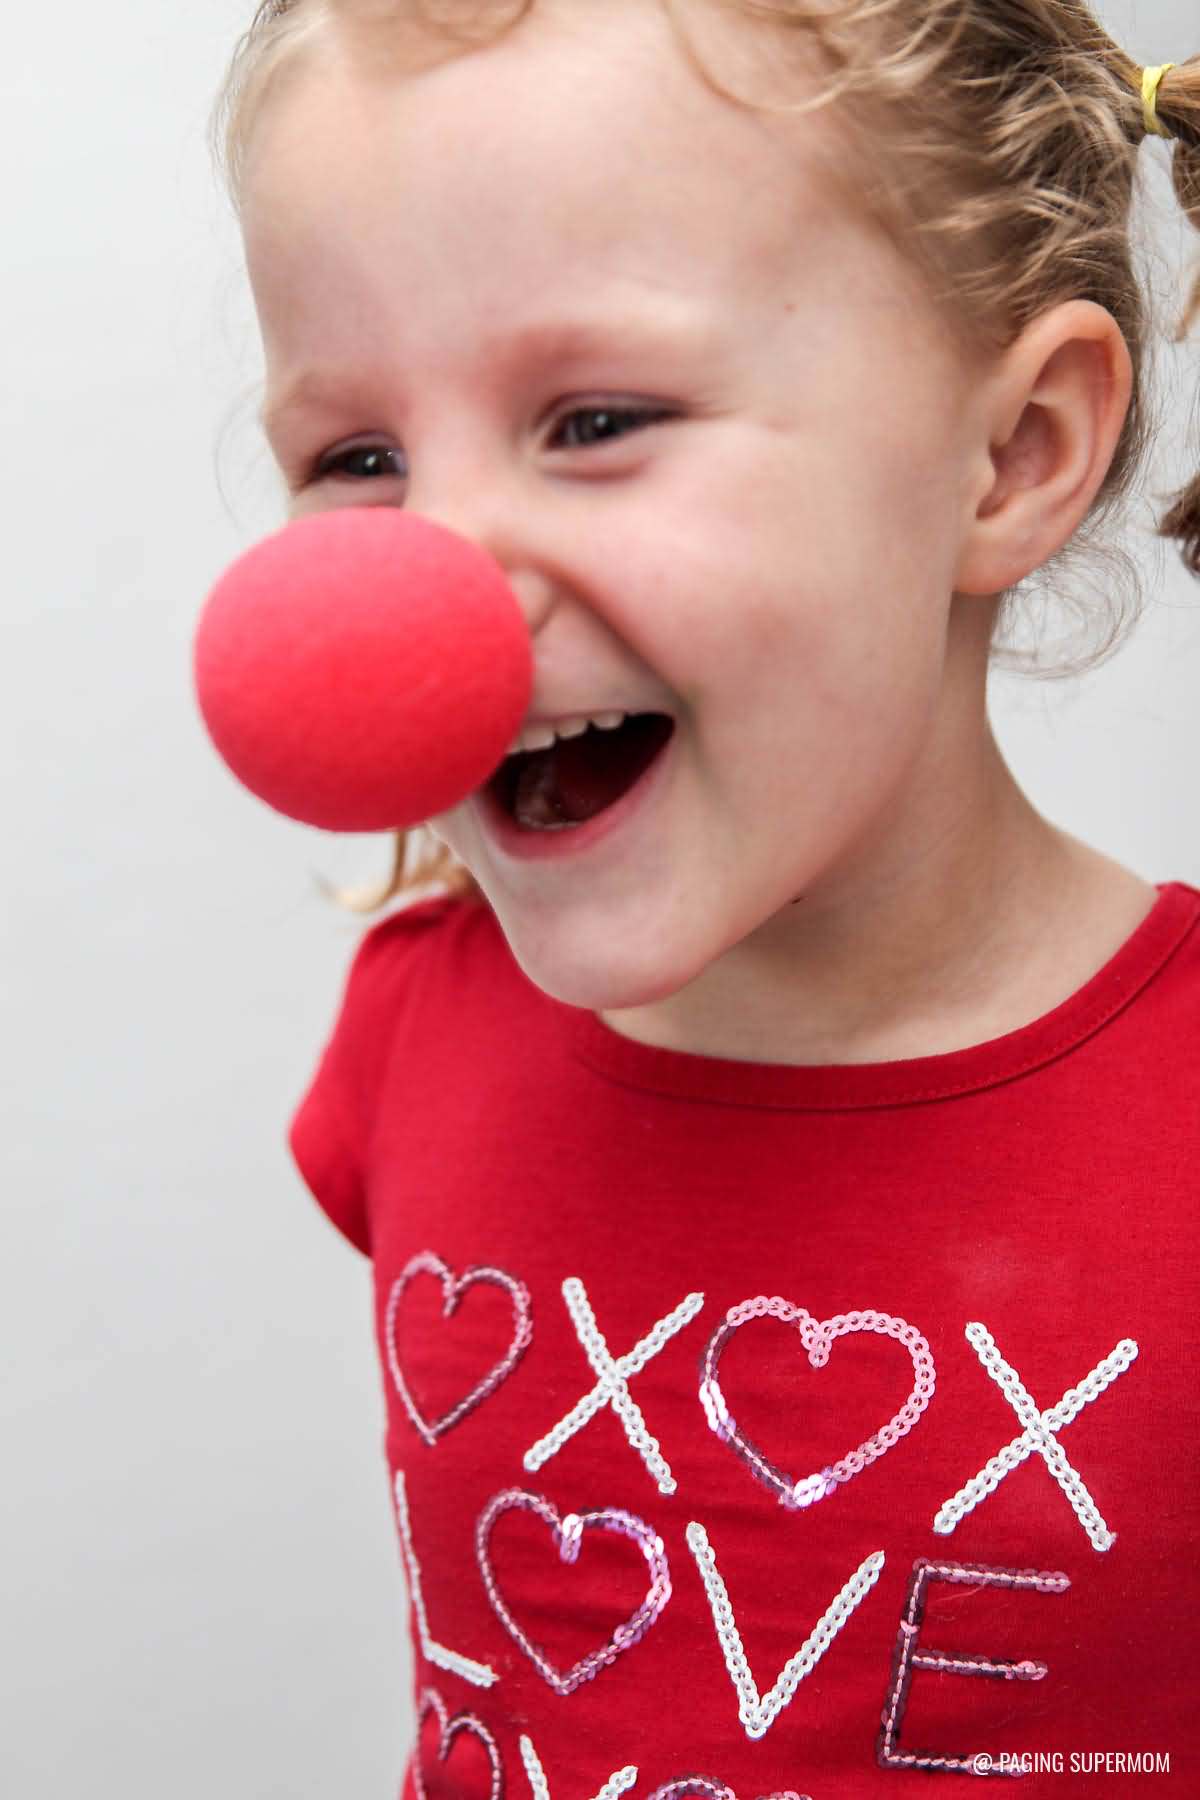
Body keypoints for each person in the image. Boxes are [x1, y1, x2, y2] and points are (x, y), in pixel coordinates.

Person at [211, 3, 1199, 1793]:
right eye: (355, 459)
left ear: (1015, 451)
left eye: (593, 420)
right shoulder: (413, 1028)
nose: (430, 575)